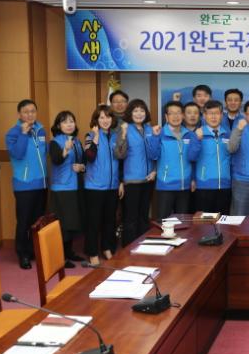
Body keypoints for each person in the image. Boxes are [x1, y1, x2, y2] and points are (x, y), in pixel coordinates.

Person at [6, 99, 48, 269]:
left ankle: (34, 251)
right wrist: (23, 134)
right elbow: (17, 154)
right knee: (24, 221)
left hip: (41, 184)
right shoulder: (13, 133)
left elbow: (44, 153)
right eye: (26, 112)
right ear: (19, 114)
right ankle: (22, 254)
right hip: (24, 185)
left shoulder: (41, 130)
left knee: (38, 222)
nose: (30, 114)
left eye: (33, 111)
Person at [147, 101, 201, 219]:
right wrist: (155, 137)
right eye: (172, 113)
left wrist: (192, 179)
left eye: (178, 113)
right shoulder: (159, 133)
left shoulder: (189, 135)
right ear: (166, 116)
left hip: (184, 186)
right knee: (164, 222)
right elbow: (153, 155)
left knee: (182, 222)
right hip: (166, 185)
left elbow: (193, 158)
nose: (175, 116)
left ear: (183, 116)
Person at [83, 105, 121, 266]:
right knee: (93, 222)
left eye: (108, 117)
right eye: (101, 117)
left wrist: (120, 182)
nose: (105, 120)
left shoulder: (116, 137)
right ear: (96, 120)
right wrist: (96, 137)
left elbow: (121, 160)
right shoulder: (90, 135)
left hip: (112, 186)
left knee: (109, 220)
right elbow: (90, 156)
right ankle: (92, 252)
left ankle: (107, 248)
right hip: (94, 186)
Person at [115, 99, 156, 246]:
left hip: (148, 180)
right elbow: (119, 154)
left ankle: (142, 248)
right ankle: (129, 250)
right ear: (130, 113)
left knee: (144, 217)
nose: (139, 114)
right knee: (130, 218)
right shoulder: (125, 128)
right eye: (135, 111)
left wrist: (155, 171)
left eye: (142, 110)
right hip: (131, 181)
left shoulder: (150, 129)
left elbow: (155, 153)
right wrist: (124, 134)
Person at [48, 111, 86, 268]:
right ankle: (60, 258)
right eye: (65, 122)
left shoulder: (77, 141)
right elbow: (56, 160)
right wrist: (65, 150)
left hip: (76, 186)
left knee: (72, 222)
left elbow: (83, 161)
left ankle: (69, 252)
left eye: (71, 121)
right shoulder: (55, 142)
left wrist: (82, 167)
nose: (69, 124)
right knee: (62, 224)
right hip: (62, 188)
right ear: (58, 125)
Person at [194, 100, 232, 214]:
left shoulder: (228, 134)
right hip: (204, 185)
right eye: (210, 113)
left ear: (222, 115)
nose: (214, 117)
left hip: (225, 185)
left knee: (223, 220)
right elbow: (191, 157)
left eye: (217, 113)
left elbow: (233, 159)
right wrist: (197, 140)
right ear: (204, 116)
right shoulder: (198, 133)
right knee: (205, 221)